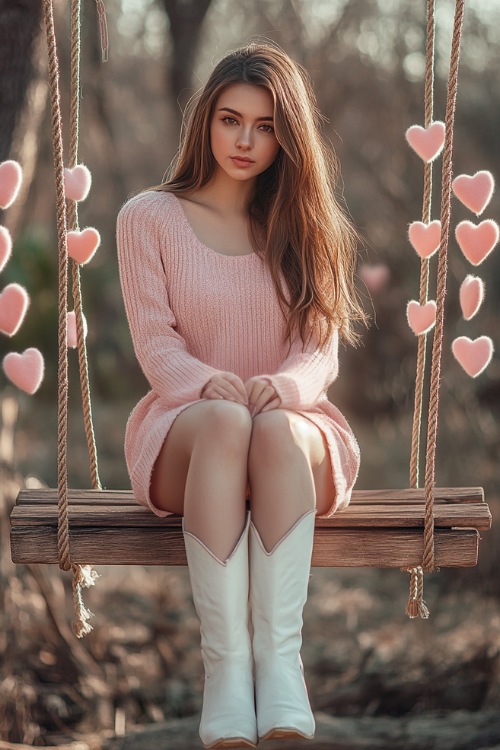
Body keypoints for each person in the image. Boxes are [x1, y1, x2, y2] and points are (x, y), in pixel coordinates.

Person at [117, 41, 365, 749]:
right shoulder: (148, 218)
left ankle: (279, 664)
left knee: (274, 429)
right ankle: (226, 672)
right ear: (206, 122)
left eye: (265, 126)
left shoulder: (307, 224)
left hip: (293, 434)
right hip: (187, 431)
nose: (246, 141)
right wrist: (205, 384)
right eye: (231, 120)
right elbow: (156, 344)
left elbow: (321, 350)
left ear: (288, 137)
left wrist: (284, 390)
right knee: (227, 420)